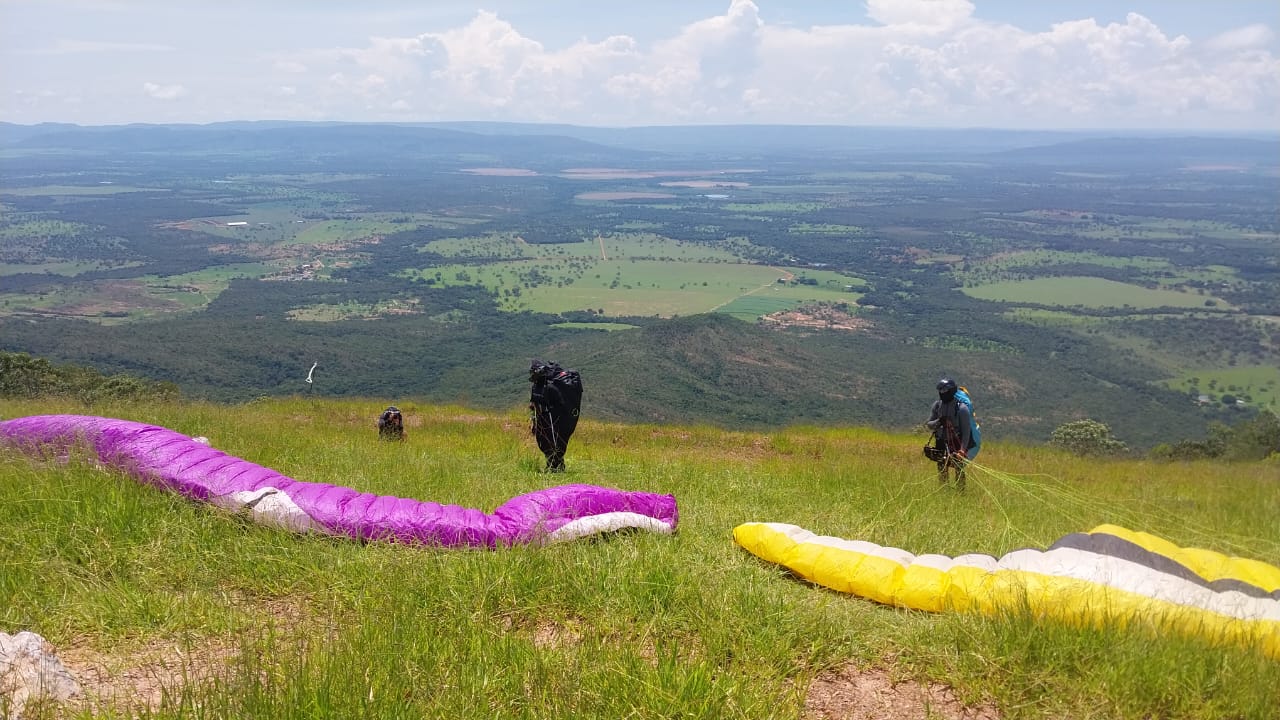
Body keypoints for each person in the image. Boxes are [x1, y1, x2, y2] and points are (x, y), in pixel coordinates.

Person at [528, 359, 582, 472]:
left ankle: (556, 466)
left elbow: (559, 404)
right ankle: (553, 465)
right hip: (543, 419)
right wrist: (534, 421)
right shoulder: (537, 387)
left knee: (553, 443)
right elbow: (533, 404)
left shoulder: (550, 388)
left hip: (552, 419)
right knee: (544, 442)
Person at [925, 378, 972, 488]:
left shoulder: (962, 409)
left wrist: (962, 450)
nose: (942, 394)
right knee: (942, 467)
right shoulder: (937, 406)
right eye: (940, 391)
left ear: (951, 391)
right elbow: (929, 425)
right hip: (940, 441)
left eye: (944, 391)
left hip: (956, 443)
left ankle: (961, 492)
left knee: (958, 468)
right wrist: (939, 421)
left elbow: (966, 432)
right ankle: (943, 490)